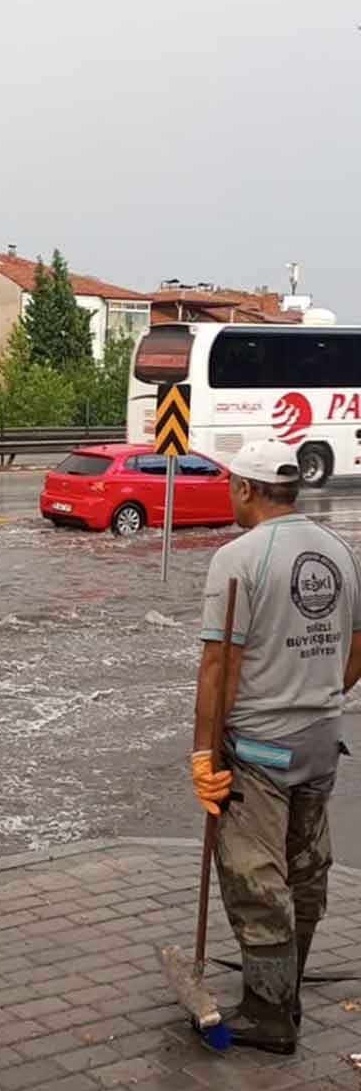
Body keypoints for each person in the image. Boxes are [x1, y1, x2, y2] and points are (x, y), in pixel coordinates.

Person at [192, 438, 361, 1054]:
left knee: (252, 874)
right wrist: (317, 692)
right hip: (322, 738)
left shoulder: (238, 558)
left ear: (244, 489)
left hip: (261, 746)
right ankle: (286, 987)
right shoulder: (339, 550)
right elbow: (356, 647)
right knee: (305, 868)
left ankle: (269, 1013)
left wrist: (203, 753)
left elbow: (219, 666)